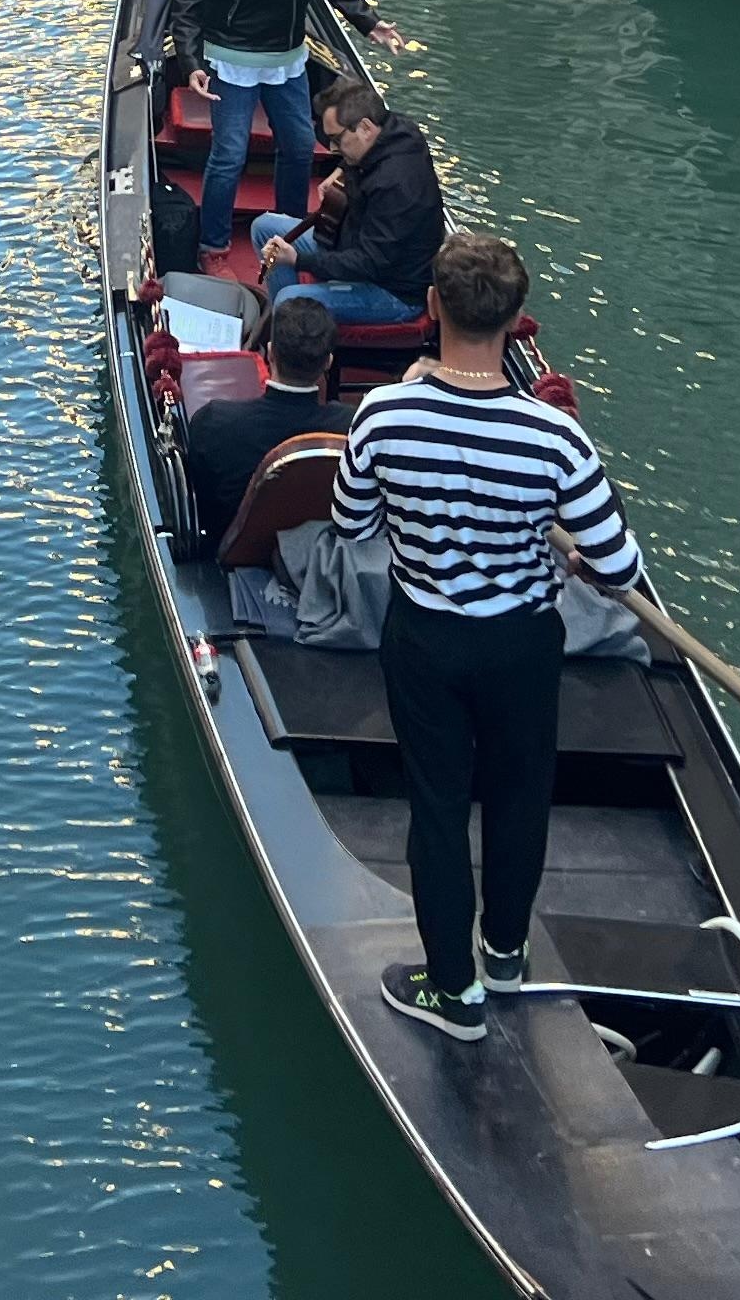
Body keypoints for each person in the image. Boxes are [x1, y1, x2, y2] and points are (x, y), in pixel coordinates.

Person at [333, 231, 648, 1043]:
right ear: (515, 321)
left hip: (426, 640)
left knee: (438, 808)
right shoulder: (556, 439)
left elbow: (350, 523)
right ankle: (504, 955)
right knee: (518, 797)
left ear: (431, 307)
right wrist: (570, 554)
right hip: (521, 645)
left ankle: (453, 991)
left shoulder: (383, 413)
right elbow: (620, 567)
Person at [174, 0, 405, 266]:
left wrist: (367, 21)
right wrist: (190, 62)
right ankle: (214, 245)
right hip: (235, 58)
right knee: (229, 155)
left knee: (300, 146)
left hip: (287, 56)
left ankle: (291, 232)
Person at [250, 84, 442, 327]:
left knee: (289, 300)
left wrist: (299, 260)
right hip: (353, 244)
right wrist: (342, 168)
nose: (332, 149)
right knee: (264, 228)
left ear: (365, 128)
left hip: (392, 290)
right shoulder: (399, 130)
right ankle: (293, 327)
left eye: (337, 139)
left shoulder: (395, 185)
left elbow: (369, 263)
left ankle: (292, 321)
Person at [183, 294, 340, 539]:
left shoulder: (214, 422)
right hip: (322, 549)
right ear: (328, 362)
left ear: (270, 353)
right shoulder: (353, 427)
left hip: (231, 550)